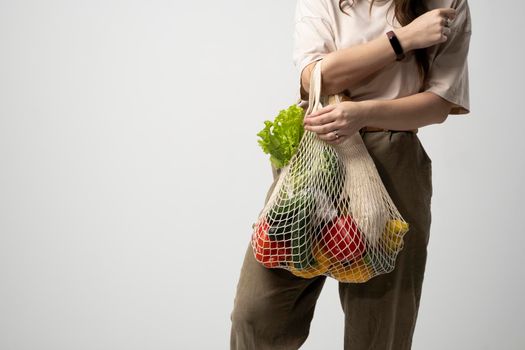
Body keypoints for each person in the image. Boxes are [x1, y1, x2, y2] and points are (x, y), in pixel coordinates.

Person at [230, 0, 471, 349]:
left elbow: (439, 104)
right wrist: (402, 40)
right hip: (316, 158)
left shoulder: (447, 4)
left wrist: (362, 113)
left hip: (392, 159)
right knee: (255, 314)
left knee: (379, 327)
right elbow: (317, 77)